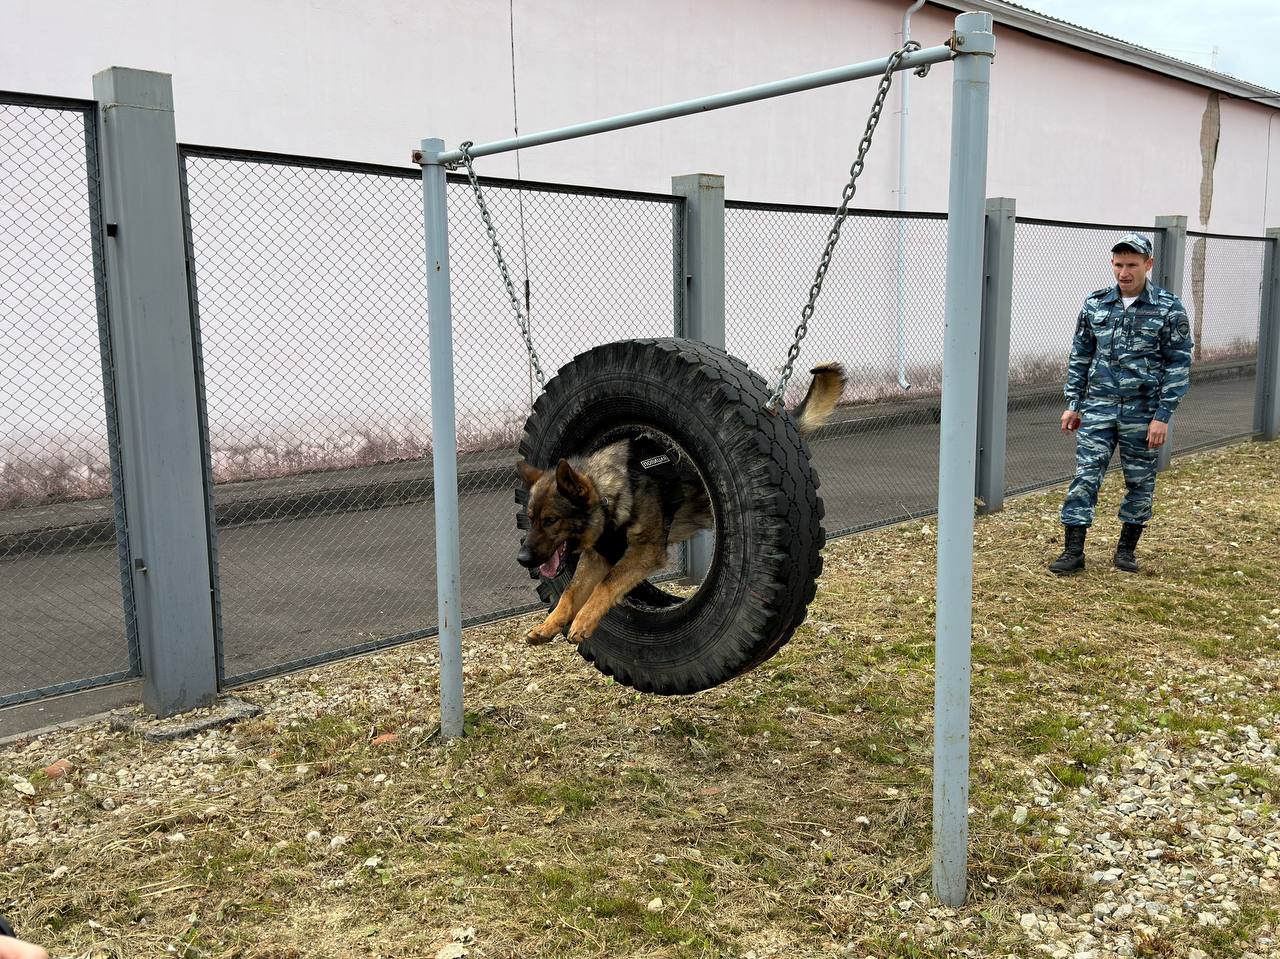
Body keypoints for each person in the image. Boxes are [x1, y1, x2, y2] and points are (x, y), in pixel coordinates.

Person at [1049, 232, 1193, 575]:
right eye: (1118, 264)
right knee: (1085, 477)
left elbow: (1179, 362)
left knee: (1140, 481)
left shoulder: (1169, 307)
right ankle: (1073, 552)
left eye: (1131, 265)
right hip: (1098, 407)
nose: (1123, 272)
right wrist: (1073, 403)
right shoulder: (1095, 303)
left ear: (1148, 264)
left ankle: (1126, 550)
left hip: (1143, 412)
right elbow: (1081, 355)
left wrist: (1162, 416)